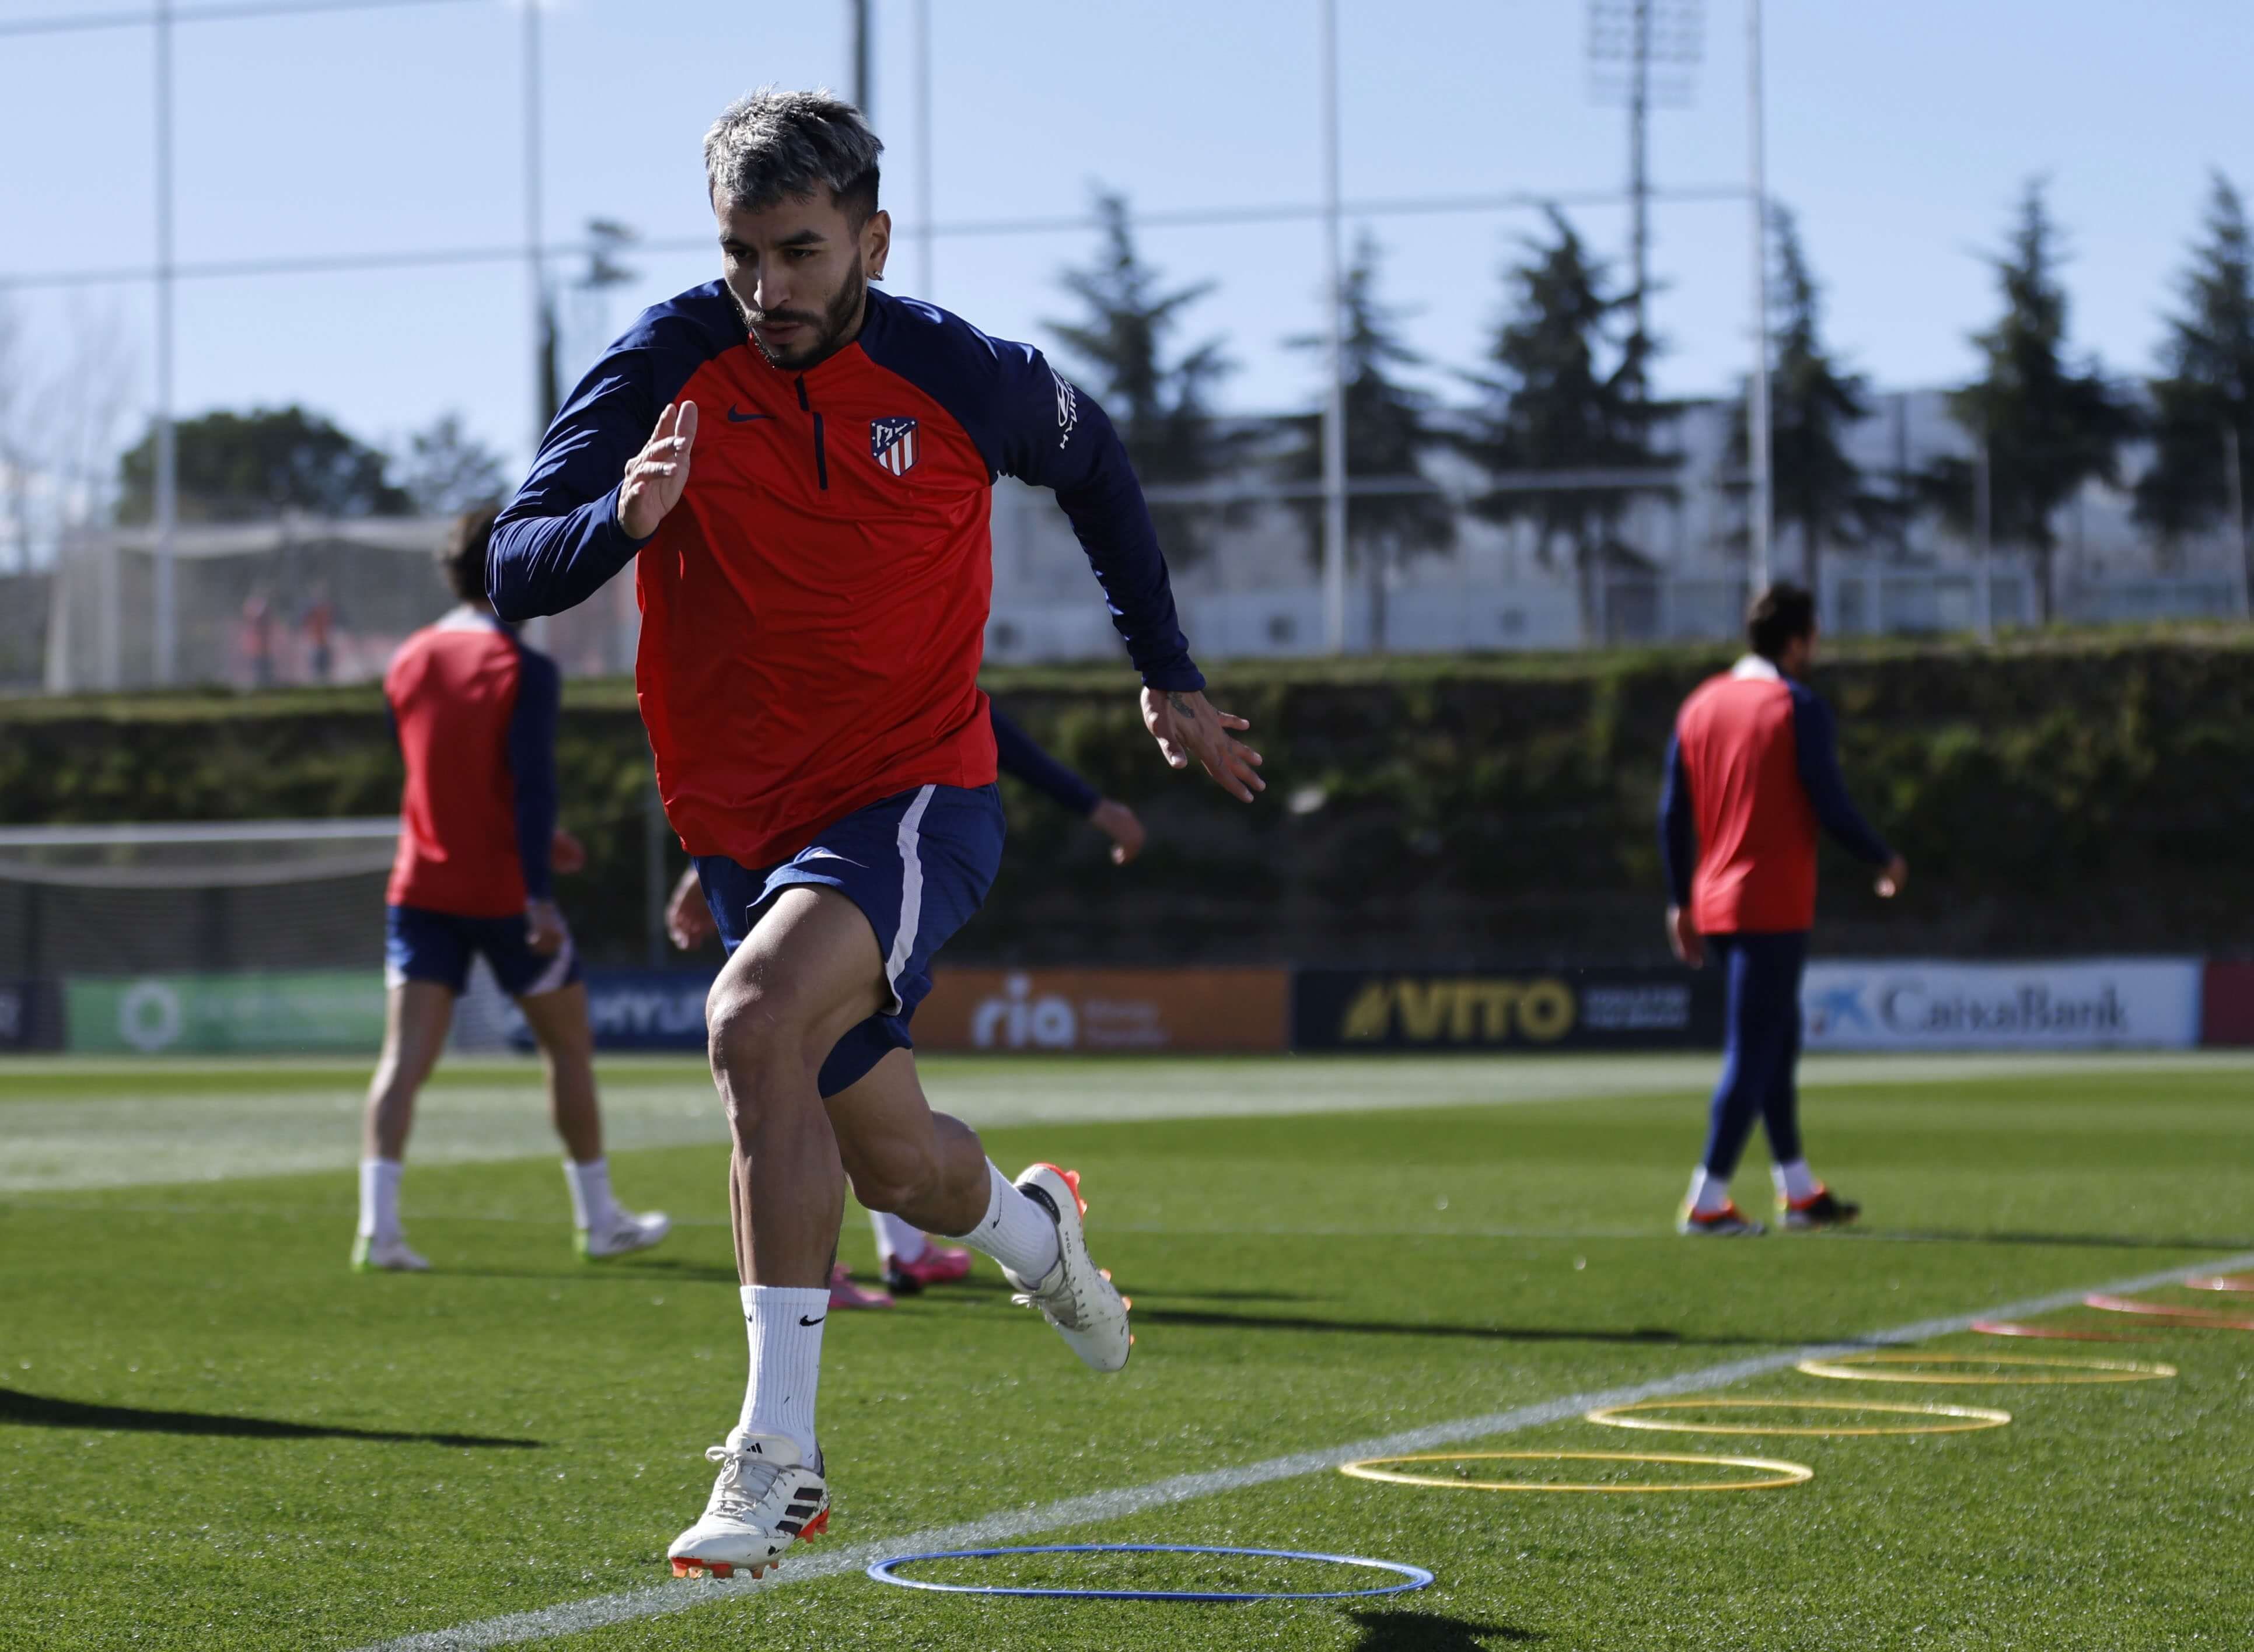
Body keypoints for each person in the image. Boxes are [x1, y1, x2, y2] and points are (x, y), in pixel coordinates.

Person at [486, 89, 1261, 1581]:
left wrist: (1163, 673)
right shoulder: (666, 359)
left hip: (911, 793)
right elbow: (518, 562)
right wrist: (622, 526)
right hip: (741, 830)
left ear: (870, 238)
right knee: (900, 1163)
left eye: (798, 251)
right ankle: (1038, 1234)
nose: (767, 289)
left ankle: (776, 1456)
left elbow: (1094, 463)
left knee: (750, 1014)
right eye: (741, 256)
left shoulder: (958, 373)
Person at [662, 702, 1151, 1308]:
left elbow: (975, 718)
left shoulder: (899, 627)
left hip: (869, 848)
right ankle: (1013, 1242)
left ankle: (822, 1296)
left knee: (773, 1045)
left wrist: (1093, 802)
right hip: (765, 850)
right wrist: (705, 850)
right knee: (885, 1157)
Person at [355, 505, 670, 1273]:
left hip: (420, 886)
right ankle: (598, 1222)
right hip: (500, 893)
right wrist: (536, 892)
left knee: (403, 1061)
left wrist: (528, 844)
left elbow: (448, 779)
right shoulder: (521, 669)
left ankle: (379, 1232)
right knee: (568, 1048)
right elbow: (529, 789)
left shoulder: (409, 659)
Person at [1659, 581, 1906, 1237]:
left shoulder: (1699, 705)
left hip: (1716, 899)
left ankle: (1796, 1188)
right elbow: (1829, 802)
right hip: (1769, 900)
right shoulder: (1795, 706)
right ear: (1797, 641)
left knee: (1776, 1040)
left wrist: (1679, 901)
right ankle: (1706, 1198)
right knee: (1752, 1048)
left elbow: (1672, 813)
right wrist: (1881, 857)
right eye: (1813, 638)